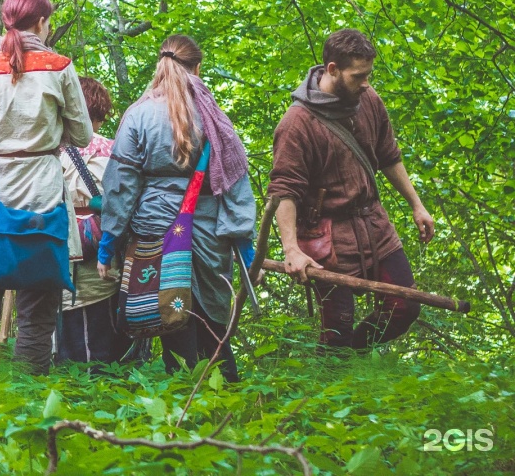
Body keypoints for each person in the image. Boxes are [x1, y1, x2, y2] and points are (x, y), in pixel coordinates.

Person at [0, 0, 93, 372]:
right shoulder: (59, 68)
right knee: (38, 317)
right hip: (42, 198)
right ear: (42, 22)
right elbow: (82, 137)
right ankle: (27, 408)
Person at [97, 35, 256, 383]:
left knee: (171, 312)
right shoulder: (214, 117)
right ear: (197, 68)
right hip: (210, 233)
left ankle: (181, 399)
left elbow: (121, 184)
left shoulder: (138, 115)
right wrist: (245, 242)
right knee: (212, 322)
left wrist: (109, 241)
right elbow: (235, 181)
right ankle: (227, 392)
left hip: (156, 232)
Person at [267, 28, 435, 349]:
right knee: (337, 330)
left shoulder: (369, 100)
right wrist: (291, 249)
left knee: (404, 307)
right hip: (326, 238)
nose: (367, 83)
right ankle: (336, 377)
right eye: (359, 76)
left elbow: (388, 156)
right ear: (332, 70)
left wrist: (417, 205)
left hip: (374, 224)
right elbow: (284, 192)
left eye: (368, 74)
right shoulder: (296, 124)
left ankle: (358, 356)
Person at [57, 76, 132, 366]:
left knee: (64, 334)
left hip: (59, 249)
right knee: (102, 338)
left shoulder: (49, 149)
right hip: (102, 254)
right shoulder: (113, 150)